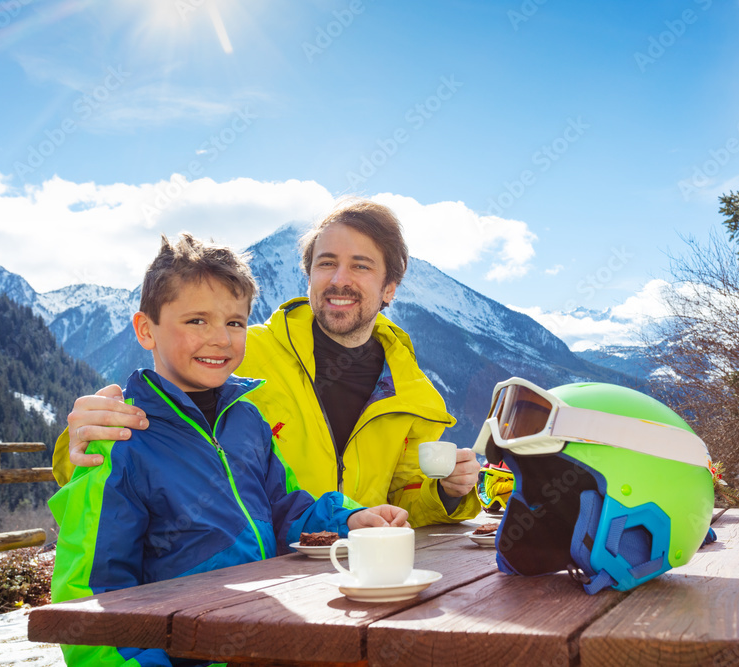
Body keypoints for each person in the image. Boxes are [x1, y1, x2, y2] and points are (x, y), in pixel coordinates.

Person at [50, 233, 407, 666]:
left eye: (234, 322)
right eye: (197, 321)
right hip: (186, 654)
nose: (220, 338)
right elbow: (91, 595)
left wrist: (351, 518)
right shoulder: (120, 439)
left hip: (268, 641)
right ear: (147, 329)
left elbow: (286, 509)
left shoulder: (248, 421)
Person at [52, 198, 481, 526]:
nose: (338, 279)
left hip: (358, 578)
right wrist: (79, 441)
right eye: (325, 263)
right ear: (308, 275)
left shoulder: (412, 391)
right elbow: (126, 439)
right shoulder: (231, 353)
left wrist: (446, 492)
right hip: (248, 583)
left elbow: (405, 501)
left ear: (389, 286)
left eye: (361, 266)